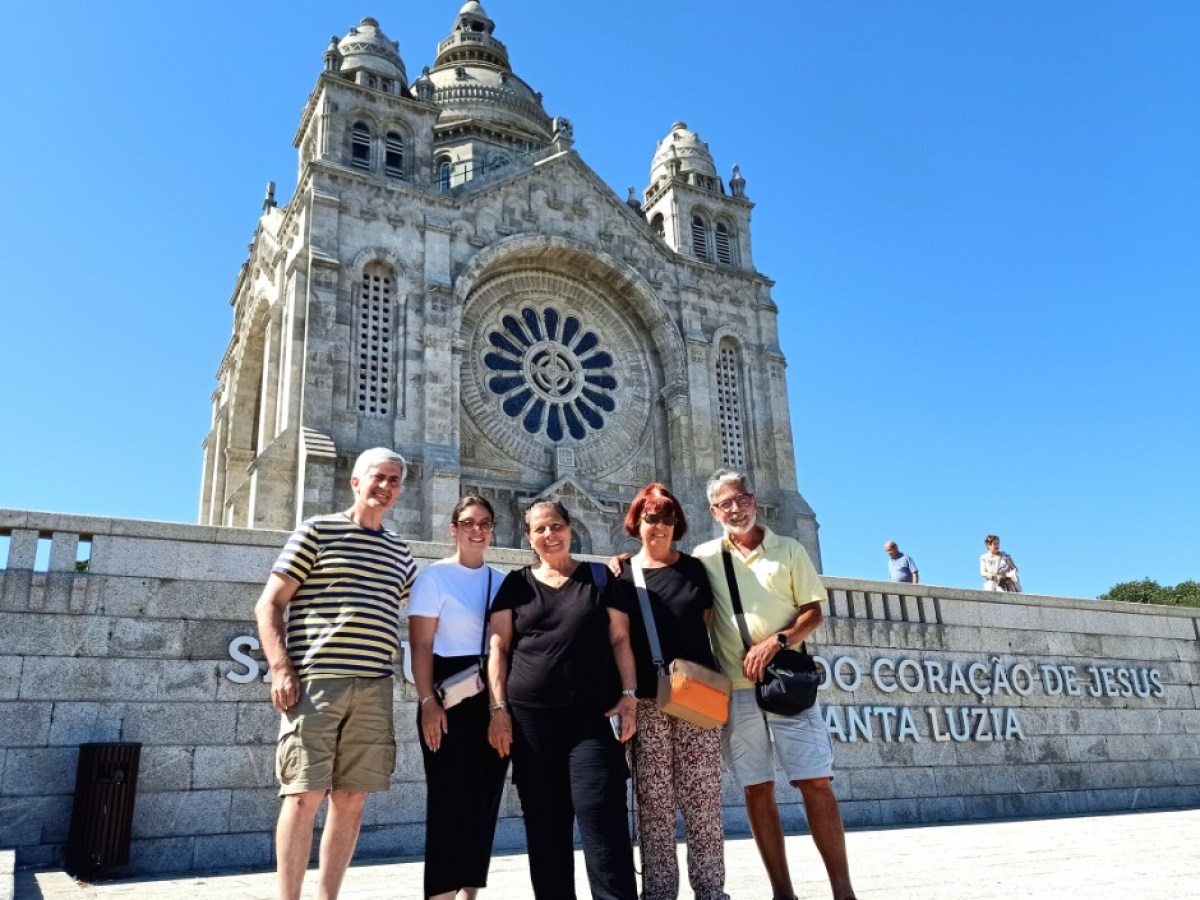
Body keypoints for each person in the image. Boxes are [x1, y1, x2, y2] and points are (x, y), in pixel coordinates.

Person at [254, 447, 417, 900]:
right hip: (317, 681)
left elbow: (427, 609)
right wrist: (280, 667)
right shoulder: (316, 531)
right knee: (303, 795)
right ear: (356, 481)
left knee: (351, 799)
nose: (386, 487)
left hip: (375, 686)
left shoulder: (399, 552)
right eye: (378, 477)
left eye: (395, 481)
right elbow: (269, 603)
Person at [693, 469, 857, 900]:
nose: (735, 508)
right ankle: (782, 893)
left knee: (815, 782)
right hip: (737, 691)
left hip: (788, 686)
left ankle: (844, 893)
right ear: (713, 511)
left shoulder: (788, 549)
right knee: (756, 788)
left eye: (741, 499)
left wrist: (777, 641)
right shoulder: (705, 557)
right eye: (725, 503)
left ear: (754, 499)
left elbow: (814, 611)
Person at [486, 500, 639, 900]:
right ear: (528, 537)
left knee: (602, 815)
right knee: (545, 827)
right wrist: (498, 710)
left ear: (571, 529)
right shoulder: (515, 585)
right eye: (540, 529)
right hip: (531, 722)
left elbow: (620, 639)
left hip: (593, 718)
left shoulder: (600, 578)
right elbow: (498, 648)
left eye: (556, 526)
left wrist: (629, 697)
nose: (549, 535)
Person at [612, 484, 729, 900]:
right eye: (650, 518)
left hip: (696, 695)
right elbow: (619, 638)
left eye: (666, 518)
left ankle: (711, 892)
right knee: (654, 803)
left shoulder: (696, 570)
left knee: (703, 799)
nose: (658, 526)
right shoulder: (622, 573)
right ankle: (659, 894)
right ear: (636, 523)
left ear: (676, 524)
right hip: (647, 699)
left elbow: (708, 624)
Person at [409, 496, 509, 900]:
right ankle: (440, 895)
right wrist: (426, 702)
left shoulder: (501, 581)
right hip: (446, 697)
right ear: (453, 529)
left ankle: (470, 894)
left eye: (484, 523)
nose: (477, 530)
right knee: (449, 801)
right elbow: (420, 645)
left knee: (484, 800)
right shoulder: (434, 578)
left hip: (491, 696)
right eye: (468, 523)